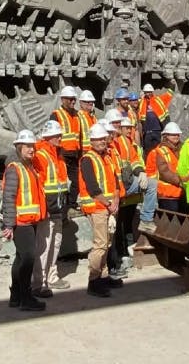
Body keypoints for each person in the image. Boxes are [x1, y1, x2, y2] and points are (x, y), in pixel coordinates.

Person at [1, 130, 47, 312]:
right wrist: (9, 224)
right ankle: (26, 297)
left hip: (30, 220)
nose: (31, 149)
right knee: (28, 258)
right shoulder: (15, 168)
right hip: (21, 222)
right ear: (19, 148)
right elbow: (9, 197)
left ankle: (16, 295)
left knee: (21, 258)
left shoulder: (29, 167)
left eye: (33, 146)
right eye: (27, 146)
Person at [78, 124, 125, 297]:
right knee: (100, 245)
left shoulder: (107, 157)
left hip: (108, 206)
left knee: (107, 244)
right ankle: (94, 281)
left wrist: (116, 200)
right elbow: (93, 188)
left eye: (103, 139)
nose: (101, 142)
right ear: (91, 141)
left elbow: (115, 181)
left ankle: (103, 277)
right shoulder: (88, 159)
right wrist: (109, 203)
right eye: (97, 139)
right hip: (97, 207)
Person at [32, 120, 70, 295]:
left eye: (60, 135)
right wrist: (43, 208)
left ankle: (52, 277)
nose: (60, 138)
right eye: (56, 135)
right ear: (48, 137)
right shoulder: (41, 156)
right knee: (44, 245)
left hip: (58, 207)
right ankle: (39, 282)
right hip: (48, 208)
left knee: (56, 243)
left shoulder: (58, 155)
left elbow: (61, 184)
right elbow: (38, 185)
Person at [105, 113, 145, 277]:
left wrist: (140, 171)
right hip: (119, 192)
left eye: (130, 127)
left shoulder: (128, 142)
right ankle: (118, 258)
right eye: (125, 127)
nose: (129, 130)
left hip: (126, 190)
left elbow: (134, 161)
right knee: (117, 227)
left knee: (126, 222)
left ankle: (125, 253)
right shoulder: (113, 145)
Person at [145, 122, 185, 214]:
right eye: (173, 134)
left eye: (177, 134)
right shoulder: (160, 151)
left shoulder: (183, 149)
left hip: (182, 192)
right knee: (170, 220)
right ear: (166, 136)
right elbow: (164, 172)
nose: (176, 136)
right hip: (168, 195)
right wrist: (181, 182)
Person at [53, 86, 83, 203]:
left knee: (76, 182)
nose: (73, 101)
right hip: (62, 154)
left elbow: (80, 136)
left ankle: (70, 204)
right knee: (63, 183)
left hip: (74, 155)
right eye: (70, 99)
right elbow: (52, 137)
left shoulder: (77, 115)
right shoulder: (56, 115)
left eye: (74, 99)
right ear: (63, 99)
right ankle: (63, 206)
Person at [137, 83, 172, 152]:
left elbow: (168, 95)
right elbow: (133, 104)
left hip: (158, 131)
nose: (148, 94)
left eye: (150, 92)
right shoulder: (141, 102)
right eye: (147, 92)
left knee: (158, 150)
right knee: (148, 151)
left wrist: (172, 85)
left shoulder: (158, 100)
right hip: (147, 132)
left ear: (152, 92)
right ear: (144, 93)